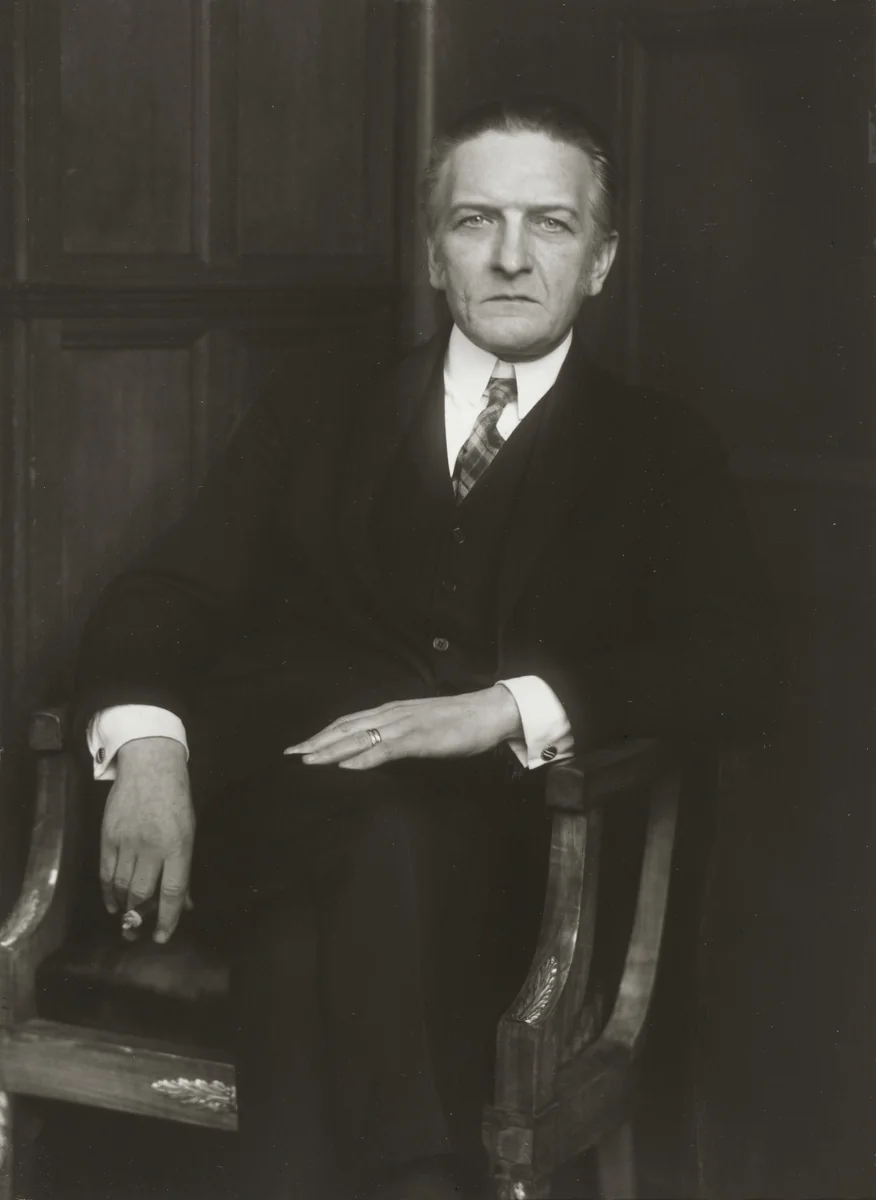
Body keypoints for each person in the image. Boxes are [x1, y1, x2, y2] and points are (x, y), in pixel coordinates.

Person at [75, 96, 773, 1200]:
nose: (508, 256)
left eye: (549, 224)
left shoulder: (659, 449)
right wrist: (149, 750)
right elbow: (170, 587)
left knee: (340, 901)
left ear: (600, 260)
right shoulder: (321, 409)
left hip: (510, 880)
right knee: (359, 852)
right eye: (473, 222)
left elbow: (735, 663)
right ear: (435, 255)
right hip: (282, 826)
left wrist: (508, 707)